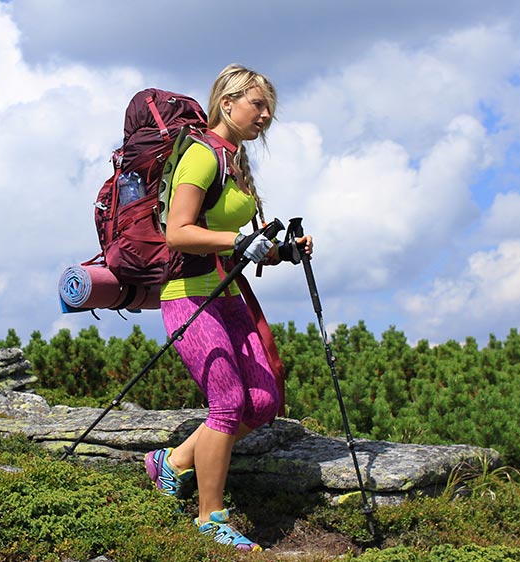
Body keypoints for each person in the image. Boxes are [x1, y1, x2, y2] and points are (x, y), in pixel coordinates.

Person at [143, 64, 311, 552]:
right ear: (227, 103)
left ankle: (170, 464)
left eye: (269, 108)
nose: (265, 115)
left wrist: (281, 251)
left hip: (227, 293)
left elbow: (239, 245)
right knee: (227, 404)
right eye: (257, 104)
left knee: (261, 403)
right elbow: (178, 231)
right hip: (188, 297)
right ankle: (210, 518)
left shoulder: (235, 161)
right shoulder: (200, 156)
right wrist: (238, 239)